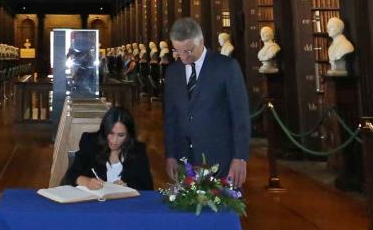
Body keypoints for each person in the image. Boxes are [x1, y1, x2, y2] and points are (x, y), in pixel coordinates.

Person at [165, 18, 250, 185]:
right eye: (177, 51)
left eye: (188, 51)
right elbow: (170, 117)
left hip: (219, 159)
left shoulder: (226, 67)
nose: (183, 57)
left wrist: (240, 157)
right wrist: (170, 155)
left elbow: (240, 116)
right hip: (184, 160)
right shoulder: (172, 72)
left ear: (201, 41)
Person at [63, 106, 153, 191]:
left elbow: (147, 186)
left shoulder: (138, 150)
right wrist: (87, 182)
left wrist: (128, 187)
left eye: (121, 135)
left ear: (129, 135)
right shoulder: (90, 142)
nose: (114, 140)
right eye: (110, 133)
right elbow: (71, 175)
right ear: (104, 130)